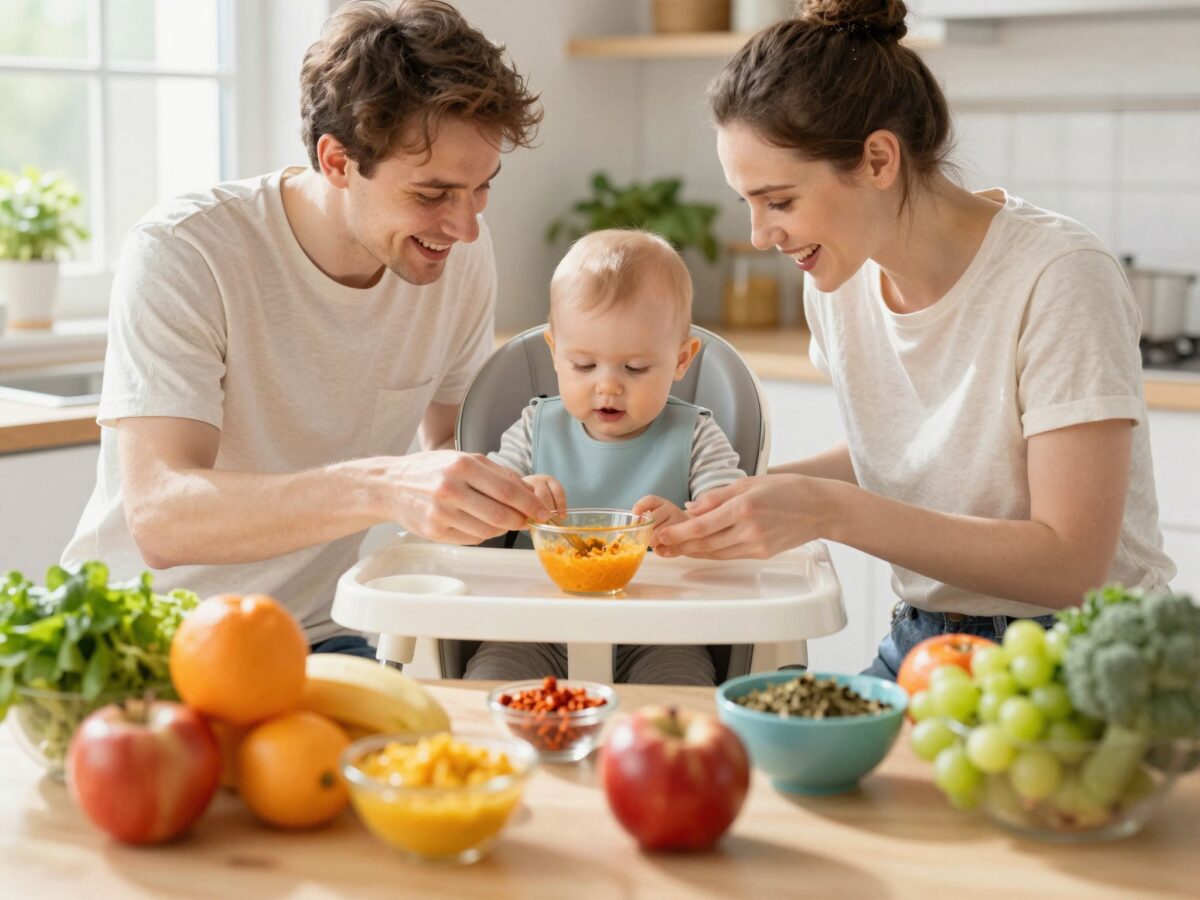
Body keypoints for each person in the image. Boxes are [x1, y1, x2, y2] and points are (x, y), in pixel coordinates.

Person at [655, 0, 1176, 679]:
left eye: (779, 201)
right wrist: (732, 498)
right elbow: (909, 446)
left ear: (878, 159)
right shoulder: (834, 282)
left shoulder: (1057, 276)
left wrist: (831, 512)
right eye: (747, 203)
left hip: (1085, 655)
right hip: (928, 644)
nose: (759, 236)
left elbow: (1072, 562)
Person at [61, 0, 549, 659]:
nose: (464, 226)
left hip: (315, 637)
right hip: (145, 639)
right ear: (338, 162)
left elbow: (458, 445)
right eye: (432, 194)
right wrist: (382, 486)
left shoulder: (456, 253)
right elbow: (161, 518)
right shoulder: (187, 250)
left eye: (482, 187)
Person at [465, 229, 747, 684]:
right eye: (583, 365)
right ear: (555, 354)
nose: (608, 385)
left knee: (683, 704)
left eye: (635, 368)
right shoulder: (536, 428)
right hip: (533, 626)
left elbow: (732, 518)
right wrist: (517, 497)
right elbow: (481, 502)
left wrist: (688, 525)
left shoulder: (696, 436)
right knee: (488, 689)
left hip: (661, 632)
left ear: (682, 359)